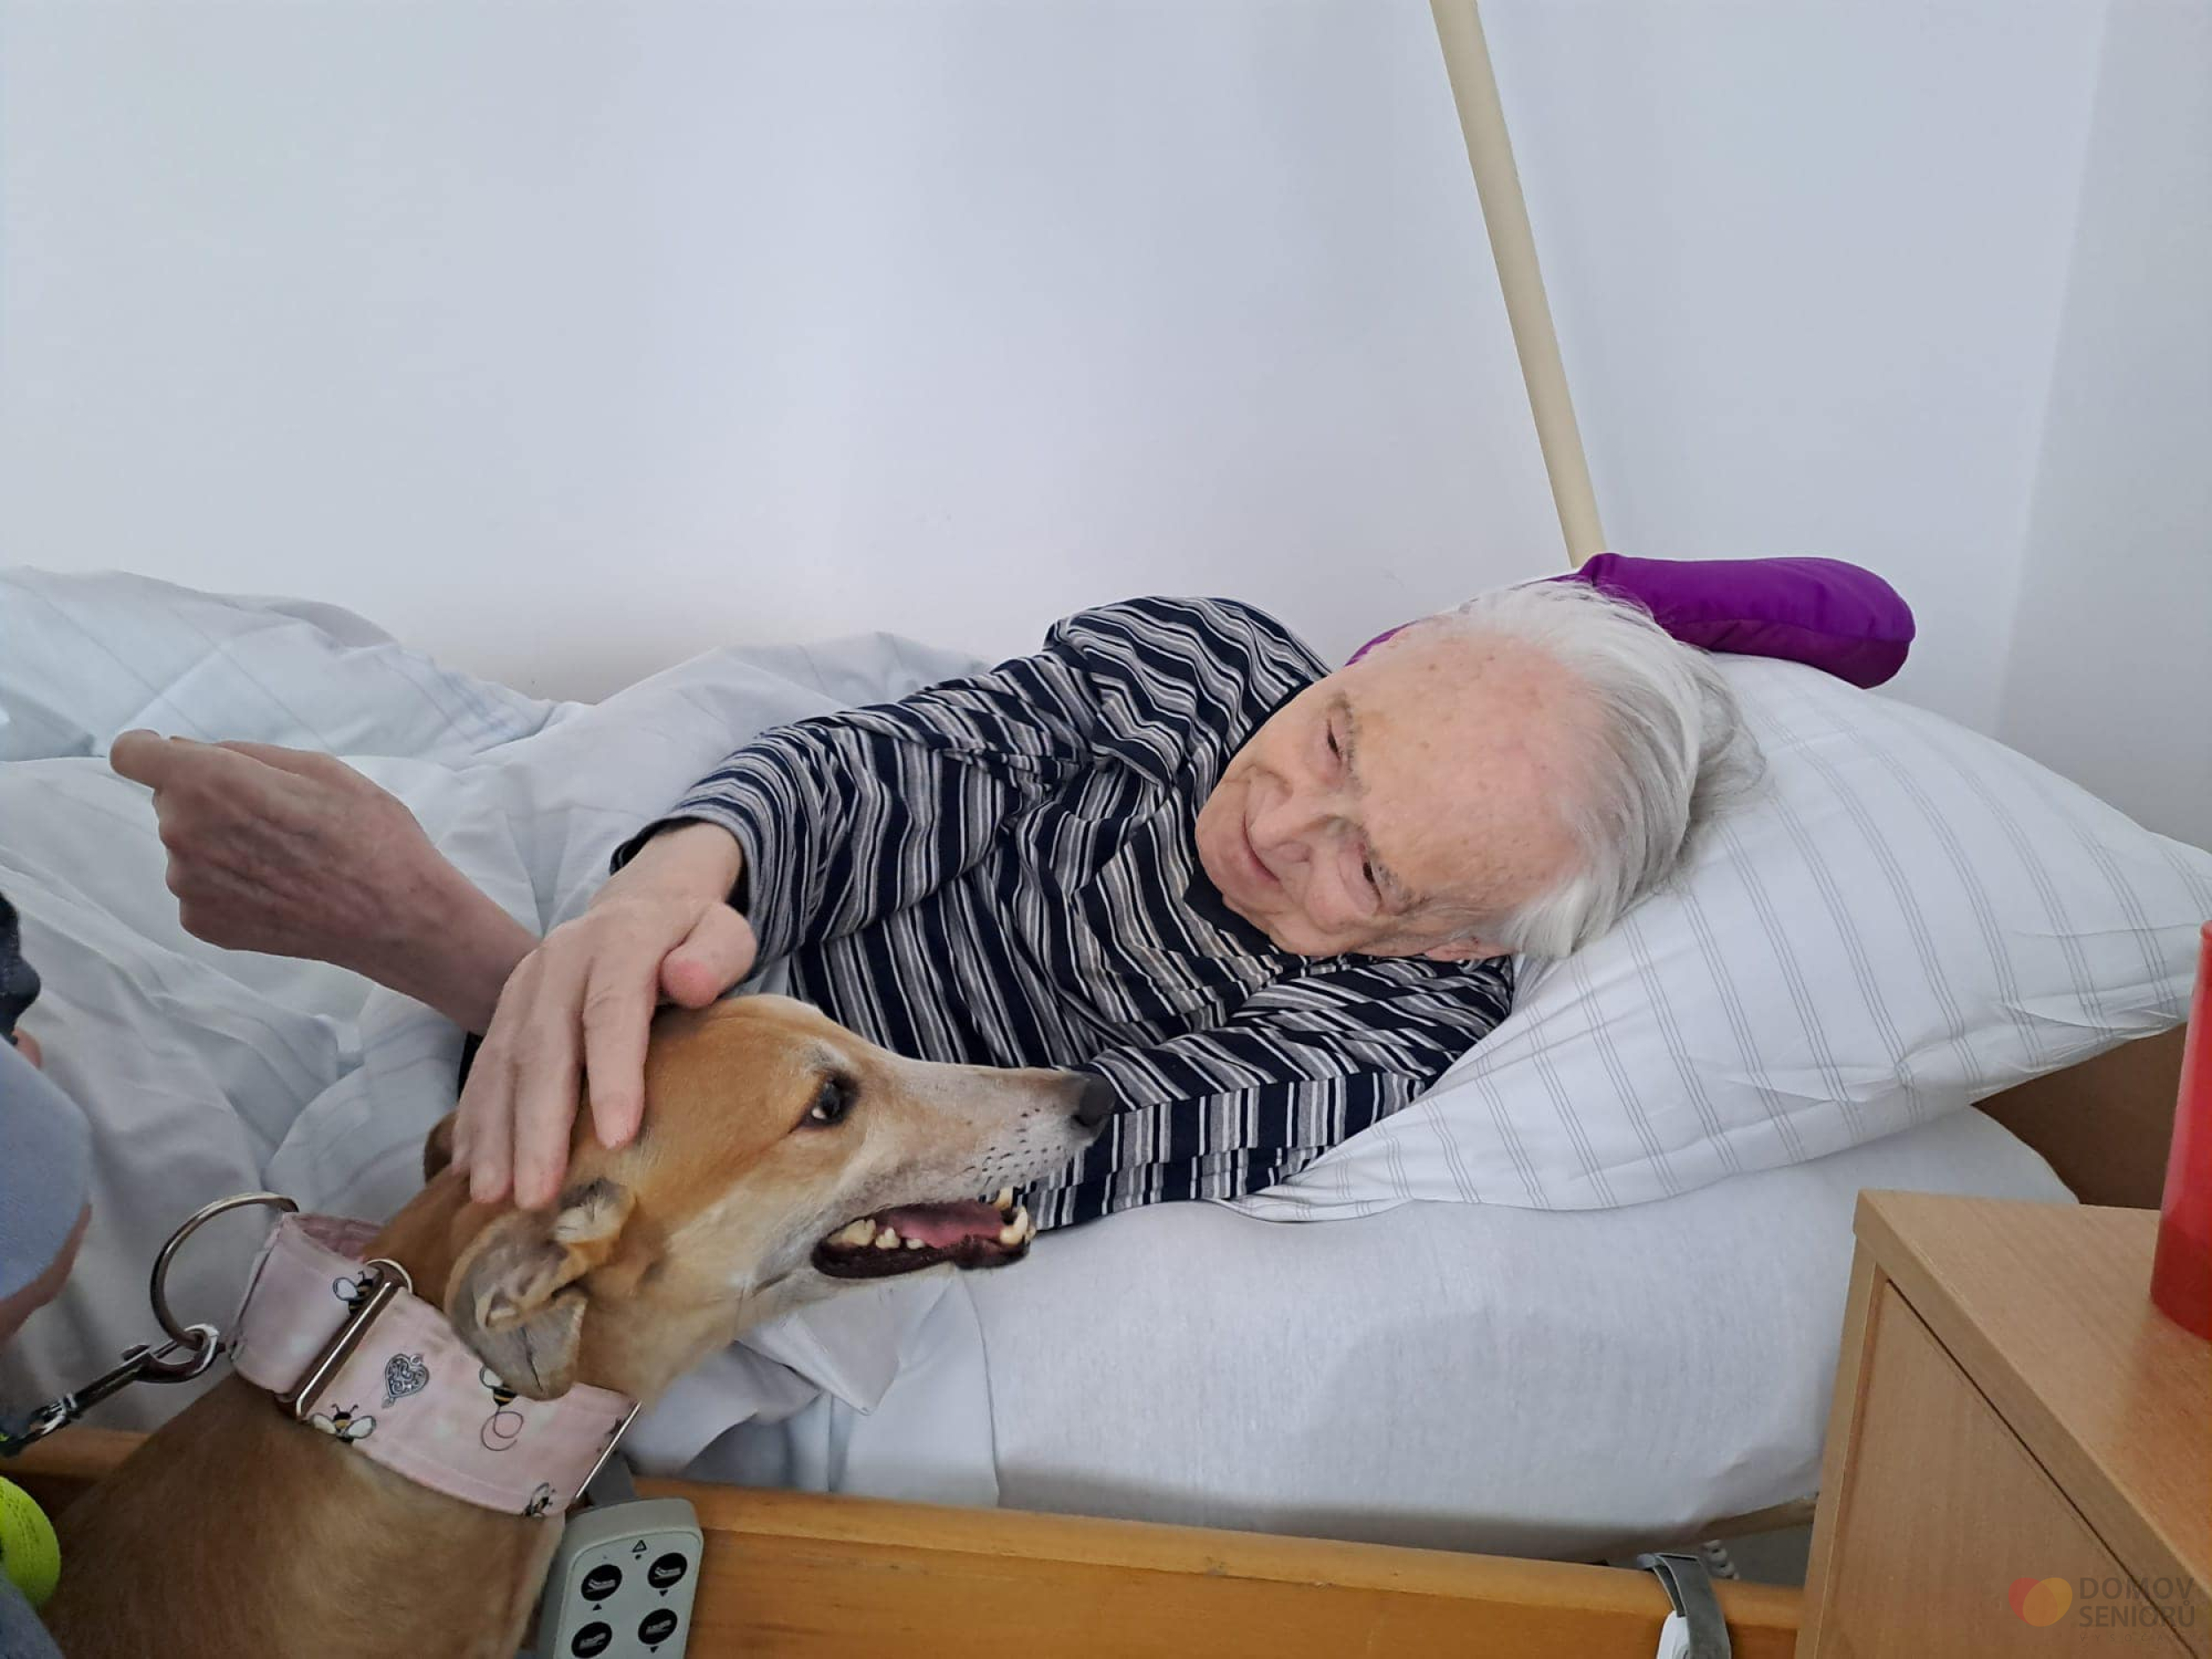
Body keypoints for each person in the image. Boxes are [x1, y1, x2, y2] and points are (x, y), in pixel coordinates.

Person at [112, 584, 1755, 1224]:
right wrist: (665, 888)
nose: (1280, 816)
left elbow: (1075, 1152)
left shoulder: (1388, 1030)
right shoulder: (1210, 668)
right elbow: (908, 762)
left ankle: (487, 976)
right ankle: (533, 968)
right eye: (1337, 736)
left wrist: (496, 966)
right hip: (727, 921)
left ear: (1456, 938)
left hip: (817, 1108)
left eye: (1370, 867)